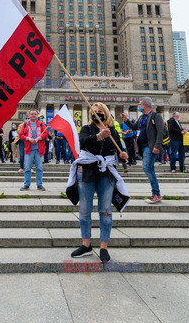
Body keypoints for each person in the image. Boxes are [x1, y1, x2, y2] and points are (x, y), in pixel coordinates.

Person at [70, 103, 128, 262]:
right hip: (87, 171)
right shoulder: (86, 129)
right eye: (94, 112)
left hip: (105, 173)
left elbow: (117, 148)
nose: (97, 114)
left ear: (106, 112)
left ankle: (104, 247)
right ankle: (86, 244)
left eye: (100, 111)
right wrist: (98, 136)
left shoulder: (113, 130)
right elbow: (83, 143)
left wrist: (123, 155)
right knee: (84, 209)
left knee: (105, 210)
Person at [121, 97, 163, 204]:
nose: (138, 106)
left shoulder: (155, 116)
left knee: (146, 167)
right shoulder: (142, 117)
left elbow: (160, 131)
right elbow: (135, 127)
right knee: (150, 168)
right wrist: (126, 120)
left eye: (140, 104)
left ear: (145, 105)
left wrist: (157, 146)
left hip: (151, 146)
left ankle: (156, 193)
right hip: (143, 146)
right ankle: (156, 193)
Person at [19, 109, 48, 191]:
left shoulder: (41, 124)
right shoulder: (25, 124)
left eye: (35, 114)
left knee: (39, 168)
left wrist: (39, 138)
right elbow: (21, 135)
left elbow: (46, 133)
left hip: (39, 149)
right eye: (32, 114)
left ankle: (39, 184)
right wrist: (28, 138)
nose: (33, 115)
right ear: (29, 115)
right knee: (27, 168)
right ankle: (26, 184)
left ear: (37, 115)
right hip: (29, 149)